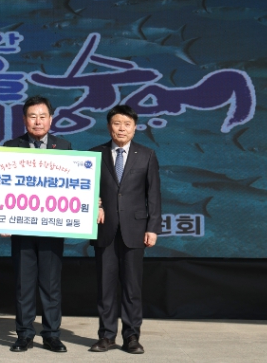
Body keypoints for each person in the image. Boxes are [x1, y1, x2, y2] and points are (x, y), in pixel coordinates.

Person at [88, 104, 161, 354]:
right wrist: (94, 206)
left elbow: (154, 195)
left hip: (135, 229)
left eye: (127, 124)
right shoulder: (94, 154)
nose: (121, 128)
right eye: (117, 123)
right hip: (104, 228)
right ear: (109, 126)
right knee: (105, 287)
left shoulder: (147, 155)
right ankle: (106, 336)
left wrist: (153, 227)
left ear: (135, 128)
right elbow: (86, 189)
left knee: (132, 288)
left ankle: (131, 336)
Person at [3, 95, 72, 353]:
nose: (38, 121)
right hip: (21, 228)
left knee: (51, 285)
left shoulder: (63, 146)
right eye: (32, 116)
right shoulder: (11, 147)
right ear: (24, 119)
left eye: (43, 116)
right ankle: (24, 334)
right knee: (24, 284)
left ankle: (52, 334)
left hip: (52, 228)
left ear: (51, 120)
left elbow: (74, 185)